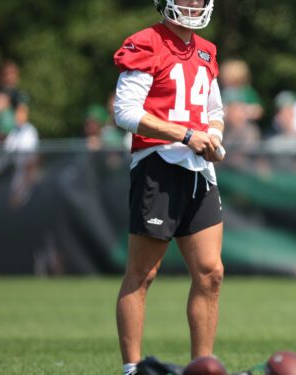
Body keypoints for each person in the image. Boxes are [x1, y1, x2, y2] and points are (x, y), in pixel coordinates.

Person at [111, 1, 225, 375]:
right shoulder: (146, 42)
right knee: (142, 274)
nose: (192, 4)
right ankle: (132, 368)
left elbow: (214, 110)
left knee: (211, 272)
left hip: (198, 169)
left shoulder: (206, 50)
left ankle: (202, 367)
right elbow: (125, 112)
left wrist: (214, 137)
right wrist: (186, 134)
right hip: (158, 166)